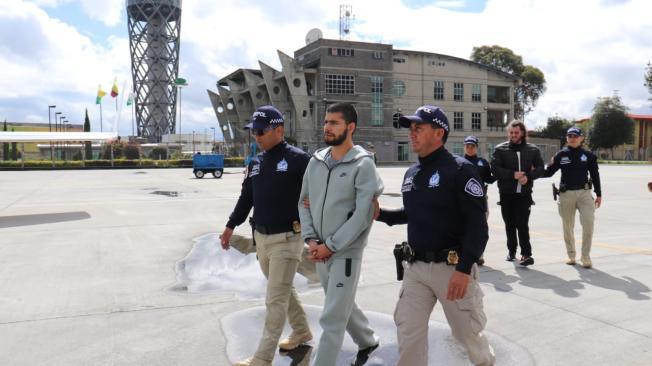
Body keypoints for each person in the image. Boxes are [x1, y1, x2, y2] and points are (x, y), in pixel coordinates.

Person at [376, 105, 495, 366]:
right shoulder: (412, 173)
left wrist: (464, 269)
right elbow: (413, 213)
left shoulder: (460, 170)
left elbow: (478, 226)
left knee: (467, 335)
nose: (412, 133)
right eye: (411, 128)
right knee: (409, 334)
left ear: (439, 133)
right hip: (415, 268)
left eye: (419, 128)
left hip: (452, 269)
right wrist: (380, 214)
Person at [219, 105, 312, 366]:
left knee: (275, 299)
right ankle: (302, 330)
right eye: (253, 132)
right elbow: (247, 196)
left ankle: (262, 358)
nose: (256, 136)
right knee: (281, 289)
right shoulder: (256, 162)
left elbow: (318, 193)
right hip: (262, 239)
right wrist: (230, 225)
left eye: (261, 131)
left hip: (288, 240)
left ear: (279, 130)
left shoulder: (298, 159)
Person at [298, 103, 383, 366]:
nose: (327, 127)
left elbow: (363, 215)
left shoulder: (363, 164)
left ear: (351, 127)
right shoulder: (316, 161)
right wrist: (311, 240)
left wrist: (331, 246)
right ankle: (367, 339)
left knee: (332, 317)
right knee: (340, 302)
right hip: (319, 248)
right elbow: (303, 201)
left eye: (334, 122)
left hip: (345, 252)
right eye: (326, 122)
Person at [544, 127, 602, 268]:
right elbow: (549, 172)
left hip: (584, 193)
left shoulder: (588, 156)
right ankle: (571, 255)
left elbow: (595, 175)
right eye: (569, 135)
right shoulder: (561, 155)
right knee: (568, 226)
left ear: (581, 138)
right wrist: (533, 171)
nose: (572, 138)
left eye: (575, 136)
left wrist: (599, 194)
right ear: (566, 138)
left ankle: (585, 257)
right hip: (566, 194)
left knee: (588, 223)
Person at [491, 120, 544, 266]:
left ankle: (526, 255)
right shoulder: (500, 149)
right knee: (509, 224)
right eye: (511, 132)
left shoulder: (533, 150)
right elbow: (494, 169)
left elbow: (540, 169)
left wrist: (528, 177)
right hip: (506, 195)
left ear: (522, 133)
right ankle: (511, 251)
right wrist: (512, 175)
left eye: (516, 132)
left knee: (522, 224)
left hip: (524, 195)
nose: (513, 135)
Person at [463, 135, 496, 266]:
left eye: (472, 146)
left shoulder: (482, 162)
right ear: (464, 147)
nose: (470, 148)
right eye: (467, 146)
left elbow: (489, 179)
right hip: (463, 200)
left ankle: (479, 255)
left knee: (480, 229)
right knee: (463, 229)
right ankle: (463, 254)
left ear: (477, 147)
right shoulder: (457, 162)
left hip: (480, 200)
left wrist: (500, 171)